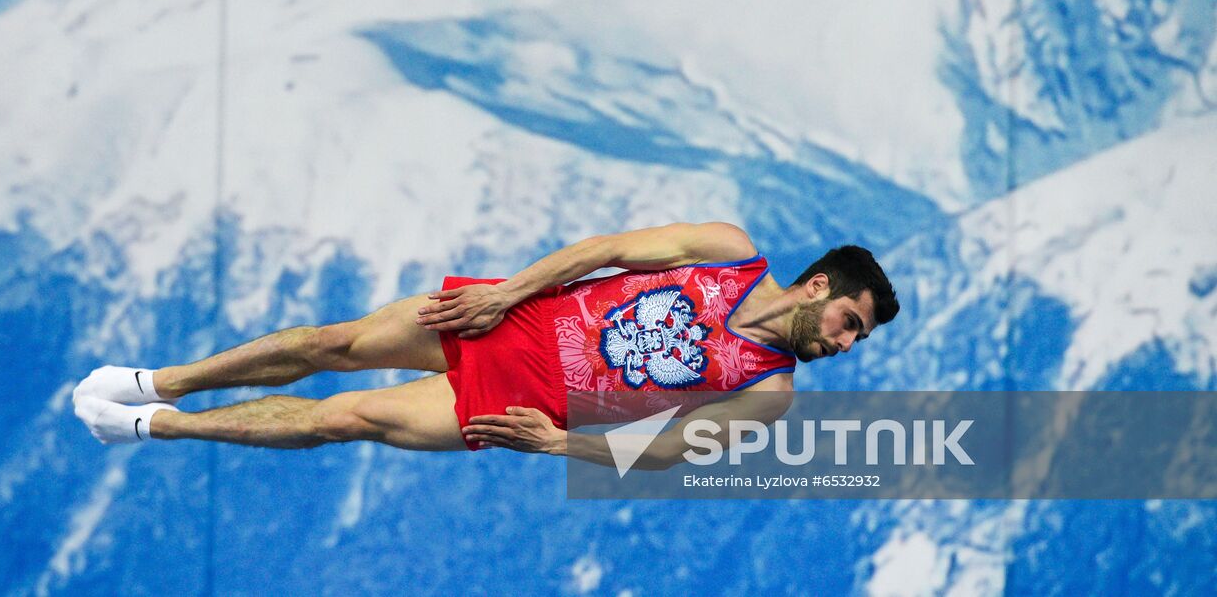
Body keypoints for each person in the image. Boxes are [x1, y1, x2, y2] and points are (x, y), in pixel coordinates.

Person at [73, 222, 897, 467]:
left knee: (343, 417)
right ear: (819, 287)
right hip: (510, 318)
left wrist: (557, 443)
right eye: (850, 323)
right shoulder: (727, 247)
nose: (847, 343)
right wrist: (505, 292)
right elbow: (601, 254)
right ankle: (163, 382)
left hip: (521, 403)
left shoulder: (773, 391)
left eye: (857, 339)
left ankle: (156, 427)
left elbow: (671, 451)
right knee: (333, 342)